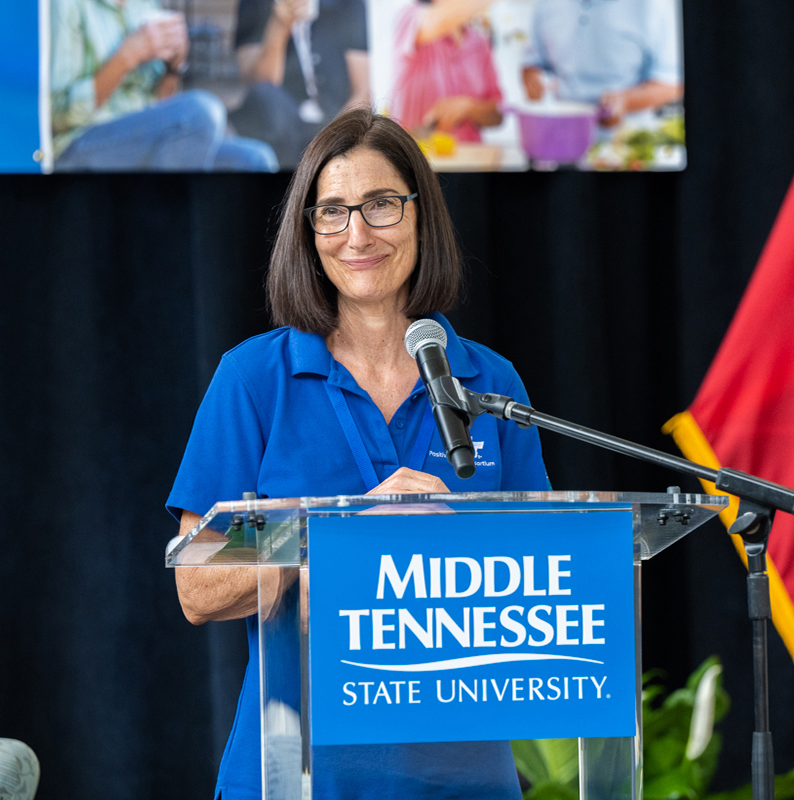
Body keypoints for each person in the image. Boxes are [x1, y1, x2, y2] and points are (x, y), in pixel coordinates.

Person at [167, 108, 549, 799]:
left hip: (464, 777)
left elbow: (543, 577)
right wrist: (331, 531)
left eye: (381, 206)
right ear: (308, 234)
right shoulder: (255, 379)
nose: (358, 234)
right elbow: (194, 586)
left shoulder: (489, 384)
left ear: (420, 217)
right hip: (298, 771)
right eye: (332, 212)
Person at [50, 0, 278, 171]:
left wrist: (174, 66)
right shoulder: (65, 6)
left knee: (256, 159)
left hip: (140, 138)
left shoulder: (143, 5)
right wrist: (126, 57)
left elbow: (161, 109)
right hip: (79, 144)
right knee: (202, 113)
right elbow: (59, 116)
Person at [228, 0, 371, 168]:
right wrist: (280, 25)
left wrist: (334, 142)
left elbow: (362, 92)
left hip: (334, 125)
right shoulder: (255, 4)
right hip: (283, 129)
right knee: (264, 98)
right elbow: (262, 89)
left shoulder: (347, 5)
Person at [521, 0, 683, 128]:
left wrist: (626, 100)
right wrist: (533, 79)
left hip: (625, 142)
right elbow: (532, 63)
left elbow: (673, 83)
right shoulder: (544, 4)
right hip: (558, 134)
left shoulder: (652, 6)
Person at [390, 0, 504, 142]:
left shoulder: (479, 42)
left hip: (469, 158)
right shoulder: (409, 18)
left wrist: (468, 107)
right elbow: (442, 19)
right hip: (415, 157)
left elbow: (497, 115)